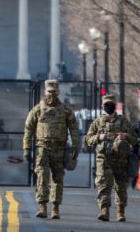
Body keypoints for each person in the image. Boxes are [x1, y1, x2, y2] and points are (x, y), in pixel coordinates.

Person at [23, 79, 80, 220]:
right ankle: (42, 206)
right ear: (44, 92)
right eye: (49, 91)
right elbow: (28, 129)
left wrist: (75, 146)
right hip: (43, 147)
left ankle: (55, 208)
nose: (52, 94)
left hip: (60, 148)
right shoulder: (37, 109)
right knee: (42, 177)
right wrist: (26, 148)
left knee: (58, 178)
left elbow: (74, 129)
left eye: (54, 91)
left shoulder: (66, 110)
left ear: (59, 92)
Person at [85, 95, 138, 222]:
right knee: (104, 185)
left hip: (121, 160)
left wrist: (126, 136)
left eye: (111, 104)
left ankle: (120, 212)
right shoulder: (97, 122)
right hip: (104, 159)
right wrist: (99, 137)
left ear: (115, 106)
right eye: (106, 104)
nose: (108, 106)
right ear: (102, 107)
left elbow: (135, 139)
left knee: (121, 187)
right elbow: (88, 140)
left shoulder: (123, 121)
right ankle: (104, 211)